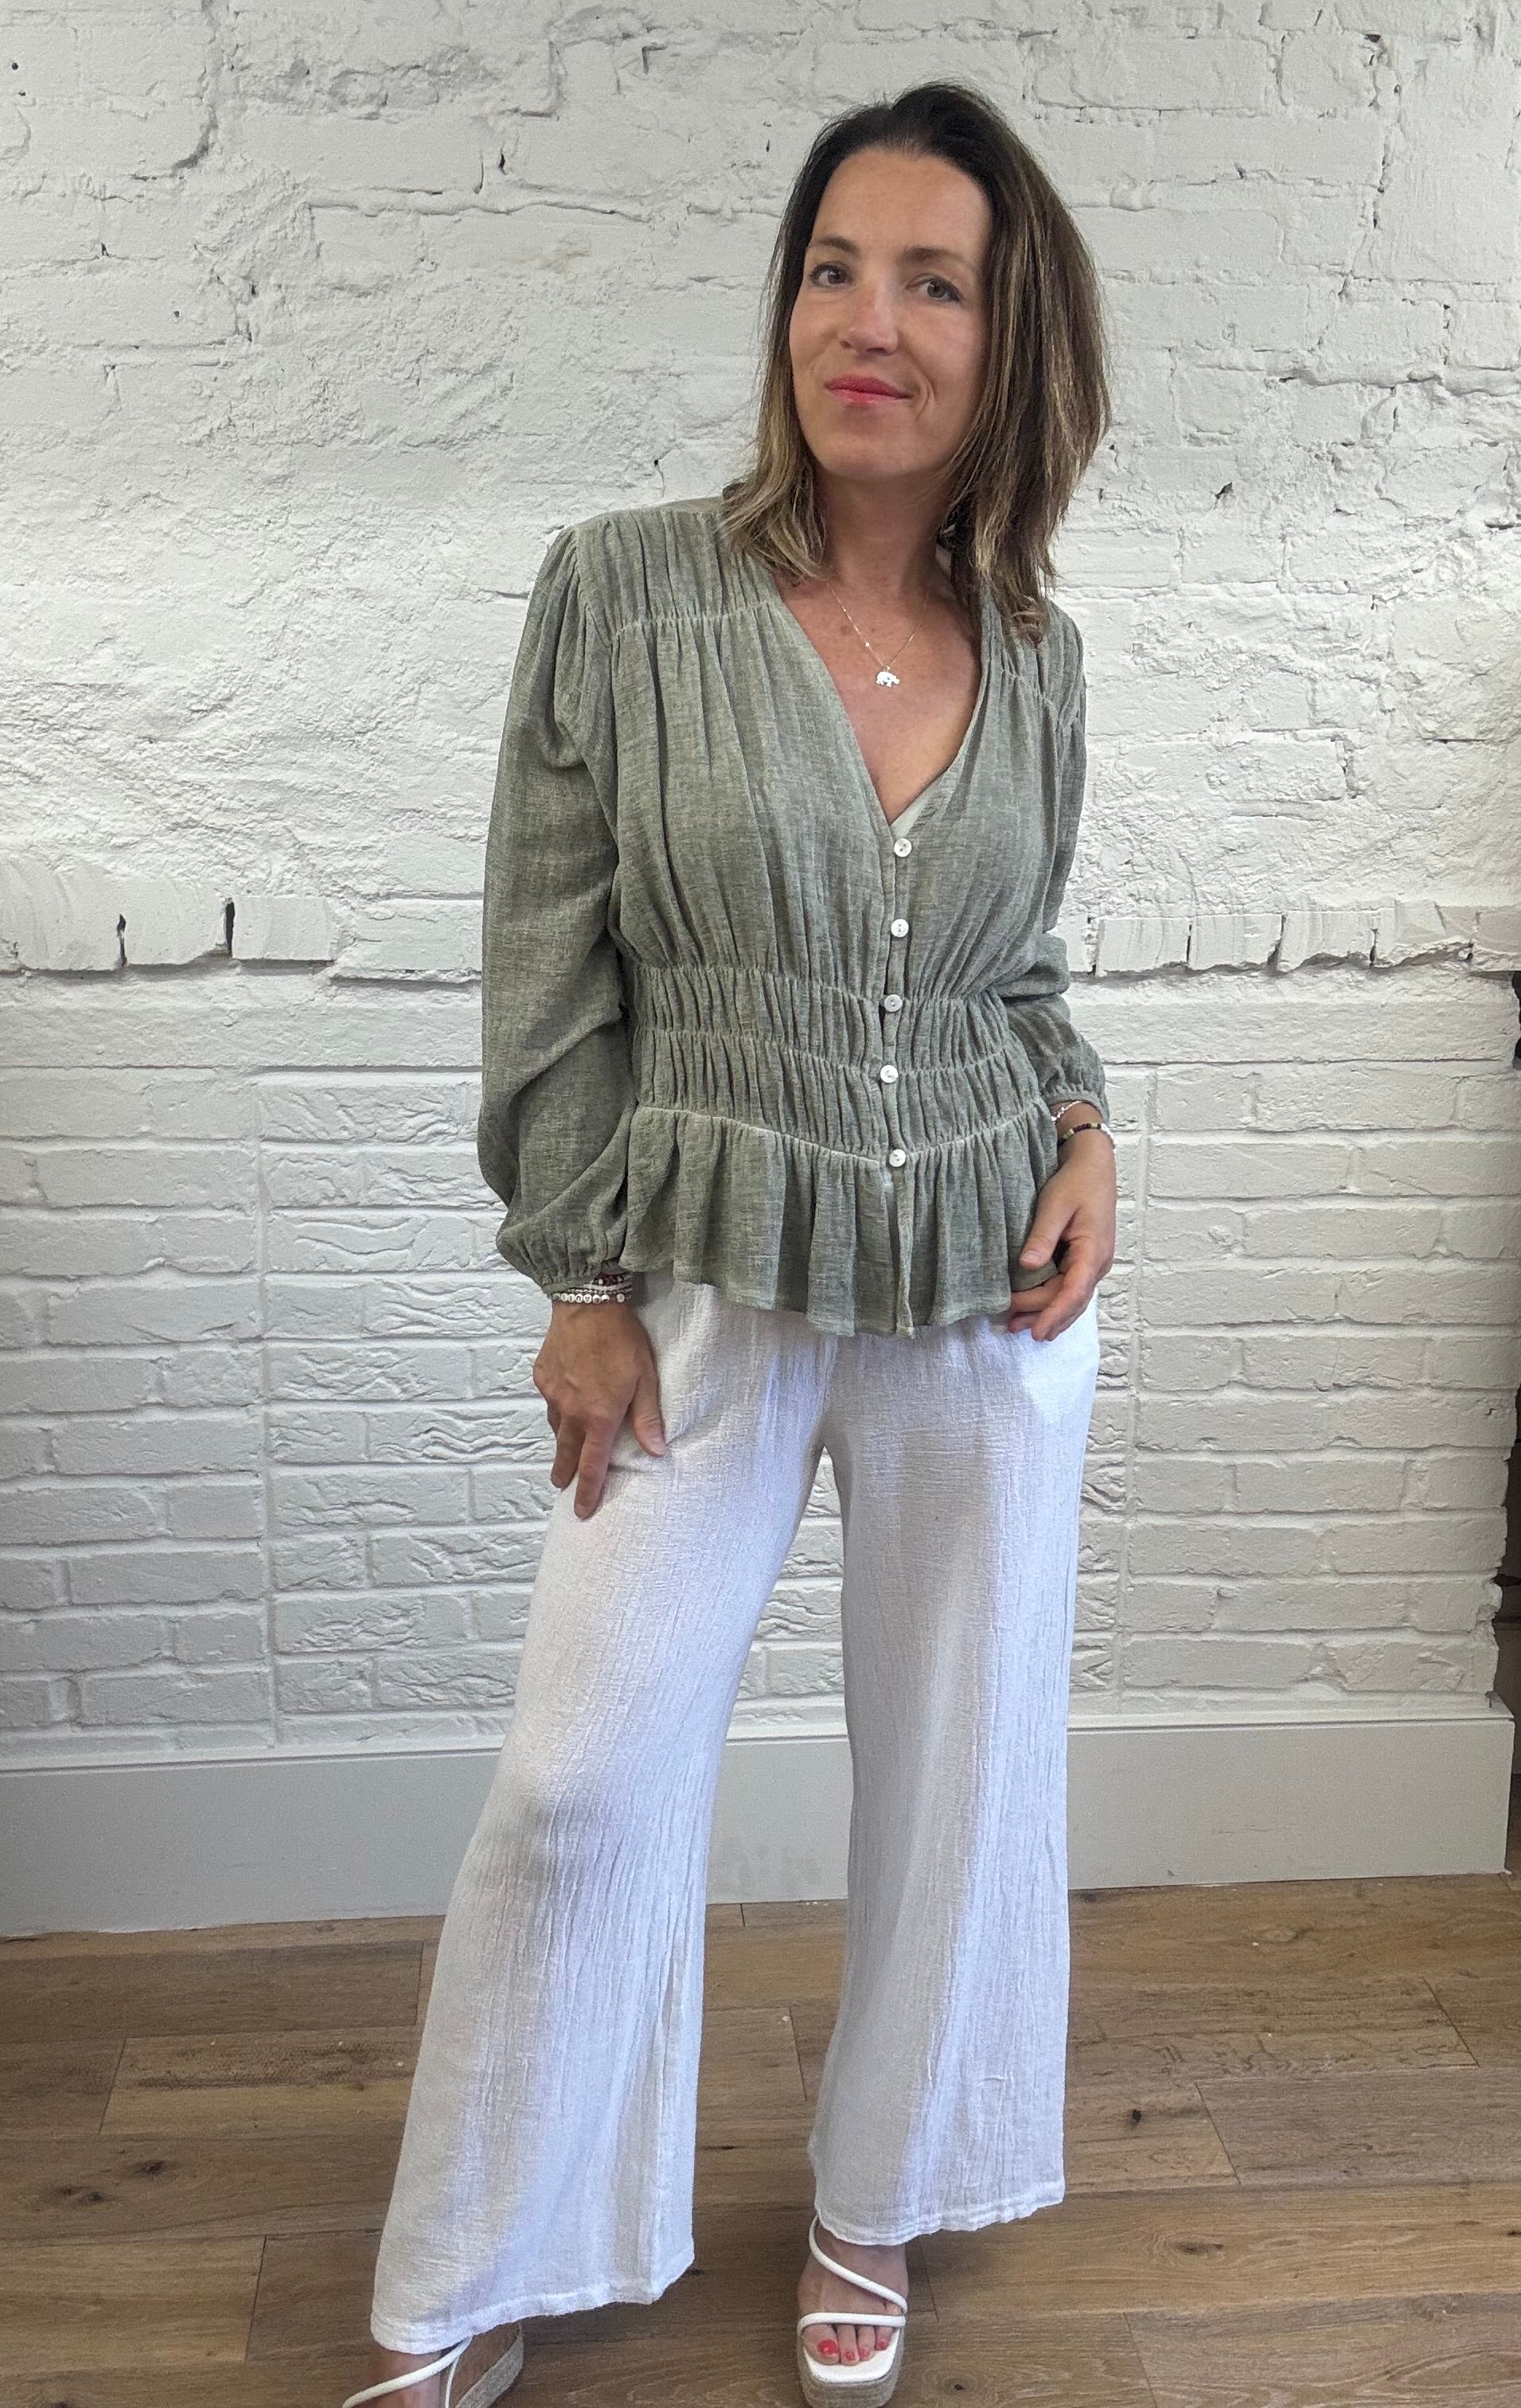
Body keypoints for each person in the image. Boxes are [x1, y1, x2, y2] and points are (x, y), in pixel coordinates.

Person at [342, 77, 1117, 2408]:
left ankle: (881, 2188)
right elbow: (546, 962)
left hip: (986, 1277)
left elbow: (1014, 968)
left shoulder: (1036, 647)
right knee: (582, 1769)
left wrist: (1087, 1117)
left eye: (932, 281)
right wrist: (579, 1278)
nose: (868, 321)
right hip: (701, 1259)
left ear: (1008, 340)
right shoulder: (622, 594)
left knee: (964, 1760)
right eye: (831, 267)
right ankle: (476, 2264)